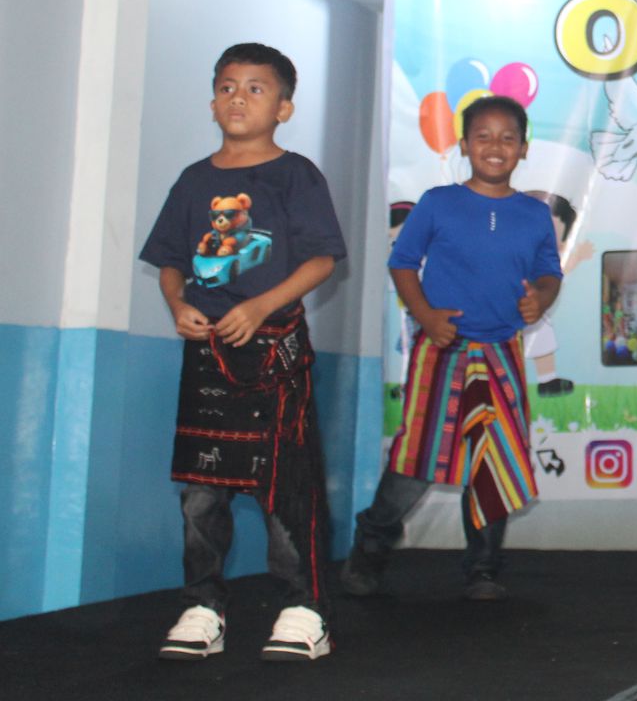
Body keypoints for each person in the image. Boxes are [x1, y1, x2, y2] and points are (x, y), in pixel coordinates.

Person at [142, 43, 347, 662]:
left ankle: (304, 609)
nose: (238, 98)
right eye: (227, 86)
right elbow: (170, 262)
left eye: (256, 88)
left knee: (285, 484)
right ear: (212, 102)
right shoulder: (194, 180)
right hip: (208, 355)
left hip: (274, 351)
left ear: (283, 108)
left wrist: (260, 307)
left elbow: (322, 259)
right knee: (201, 488)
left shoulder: (297, 175)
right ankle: (203, 607)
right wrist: (177, 304)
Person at [341, 95, 560, 602]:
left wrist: (542, 297)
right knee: (416, 458)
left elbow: (550, 271)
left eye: (508, 137)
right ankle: (369, 551)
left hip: (501, 350)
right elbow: (402, 263)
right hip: (441, 348)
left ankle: (483, 568)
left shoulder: (534, 213)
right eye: (483, 136)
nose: (495, 146)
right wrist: (425, 315)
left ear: (524, 148)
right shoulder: (438, 202)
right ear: (463, 144)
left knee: (493, 462)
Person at [522, 190, 591, 396]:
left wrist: (577, 258)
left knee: (542, 336)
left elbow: (559, 271)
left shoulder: (550, 263)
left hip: (535, 308)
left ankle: (547, 379)